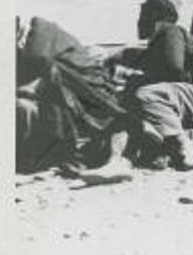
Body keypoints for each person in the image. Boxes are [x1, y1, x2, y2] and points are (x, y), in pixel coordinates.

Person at [99, 0, 193, 172]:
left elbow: (175, 70)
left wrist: (134, 78)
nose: (139, 21)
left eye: (143, 15)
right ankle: (116, 162)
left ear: (155, 16)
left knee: (145, 94)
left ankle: (184, 146)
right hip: (176, 100)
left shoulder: (171, 31)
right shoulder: (156, 44)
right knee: (124, 109)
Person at [15, 16, 125, 174]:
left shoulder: (40, 30)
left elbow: (39, 61)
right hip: (67, 93)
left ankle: (60, 155)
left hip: (81, 92)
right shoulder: (30, 41)